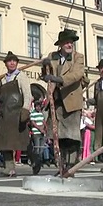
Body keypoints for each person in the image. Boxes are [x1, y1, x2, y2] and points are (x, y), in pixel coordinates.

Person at [41, 29, 87, 176]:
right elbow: (46, 76)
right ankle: (61, 166)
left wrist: (59, 79)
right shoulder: (52, 56)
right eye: (66, 42)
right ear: (60, 44)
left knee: (72, 137)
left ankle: (71, 167)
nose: (70, 44)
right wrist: (45, 66)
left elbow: (77, 75)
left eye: (71, 42)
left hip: (72, 102)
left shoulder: (78, 57)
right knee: (58, 136)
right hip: (57, 101)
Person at [0, 51, 32, 177]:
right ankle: (9, 168)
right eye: (9, 61)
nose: (12, 63)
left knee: (23, 141)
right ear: (5, 63)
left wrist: (25, 110)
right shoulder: (3, 79)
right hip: (5, 114)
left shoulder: (21, 76)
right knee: (5, 142)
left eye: (14, 61)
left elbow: (27, 95)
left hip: (17, 113)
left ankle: (35, 159)